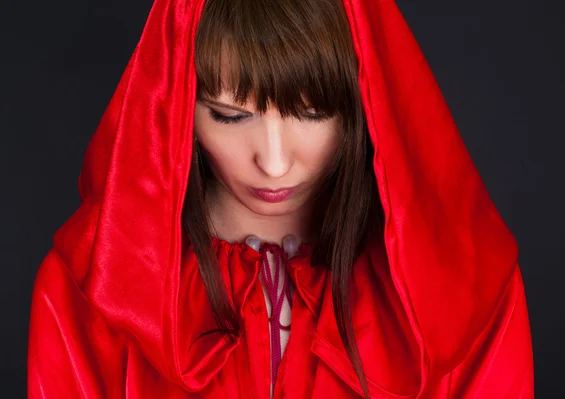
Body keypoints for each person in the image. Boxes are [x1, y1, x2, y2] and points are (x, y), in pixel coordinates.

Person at [27, 0, 534, 397]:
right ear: (176, 106)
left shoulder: (465, 296)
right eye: (229, 115)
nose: (273, 163)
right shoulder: (91, 293)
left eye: (313, 114)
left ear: (364, 99)